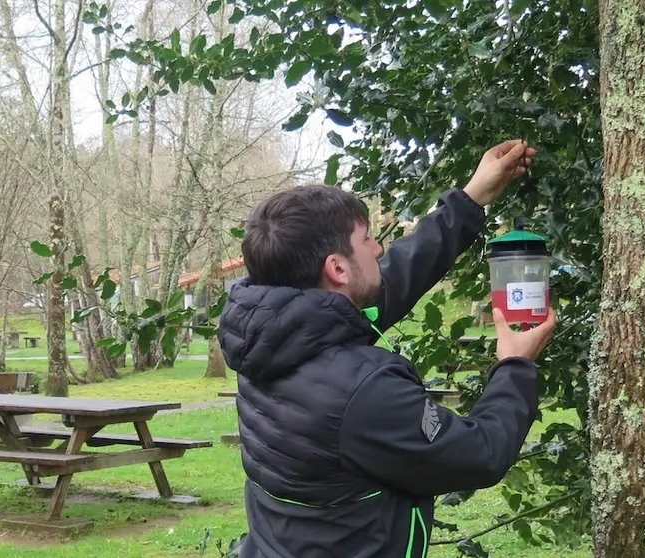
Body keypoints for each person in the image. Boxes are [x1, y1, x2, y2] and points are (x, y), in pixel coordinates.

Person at [217, 139, 557, 558]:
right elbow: (480, 453)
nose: (379, 249)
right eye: (367, 240)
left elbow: (389, 281)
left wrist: (470, 199)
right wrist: (516, 365)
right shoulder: (363, 392)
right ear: (337, 269)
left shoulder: (268, 335)